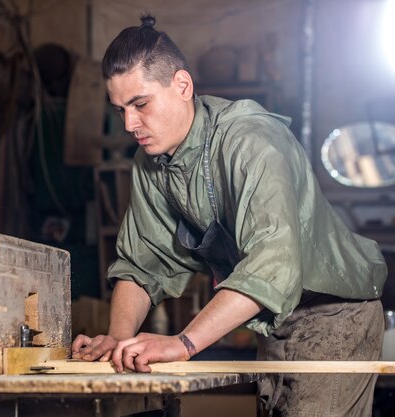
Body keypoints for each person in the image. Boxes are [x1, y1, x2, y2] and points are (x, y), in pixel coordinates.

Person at [71, 14, 387, 417]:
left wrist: (183, 343)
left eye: (141, 104)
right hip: (272, 321)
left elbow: (271, 266)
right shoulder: (151, 162)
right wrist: (119, 341)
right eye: (120, 110)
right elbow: (140, 264)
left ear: (182, 85)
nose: (131, 124)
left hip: (335, 312)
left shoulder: (250, 140)